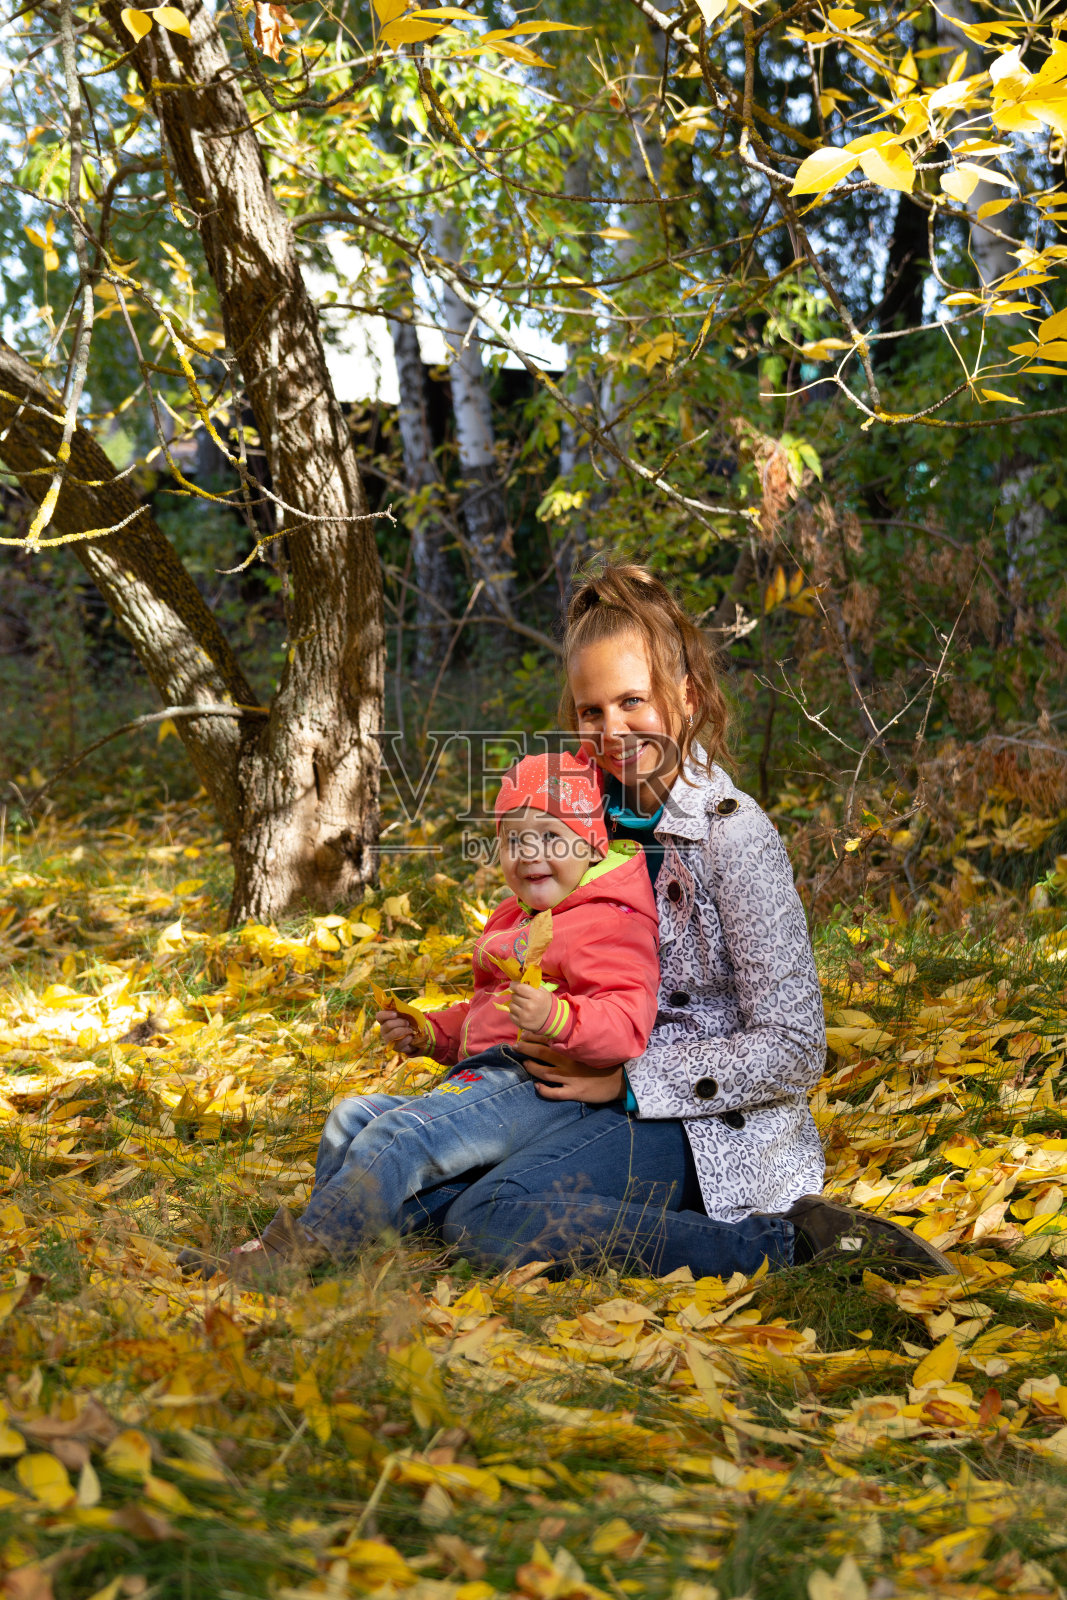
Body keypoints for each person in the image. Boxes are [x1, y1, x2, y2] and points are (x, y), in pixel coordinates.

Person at [437, 563, 953, 1281]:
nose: (612, 730)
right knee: (435, 1173)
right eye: (591, 711)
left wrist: (629, 1080)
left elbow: (796, 1047)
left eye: (632, 702)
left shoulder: (730, 834)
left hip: (705, 1125)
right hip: (583, 1090)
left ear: (684, 695)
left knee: (487, 1220)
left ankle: (794, 1244)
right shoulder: (575, 830)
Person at [182, 750, 660, 1283]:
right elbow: (488, 1013)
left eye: (551, 837)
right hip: (487, 1075)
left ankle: (294, 1259)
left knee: (402, 1136)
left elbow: (626, 1023)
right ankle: (333, 1248)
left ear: (593, 842)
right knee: (351, 1116)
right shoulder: (515, 916)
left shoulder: (607, 921)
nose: (531, 855)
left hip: (540, 1084)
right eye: (514, 840)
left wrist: (558, 1017)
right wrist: (433, 1033)